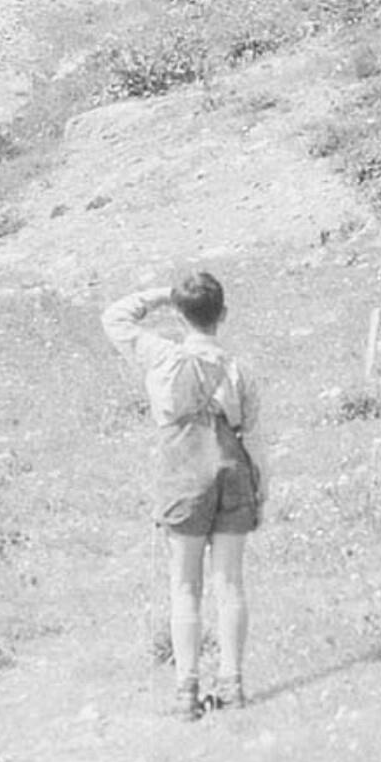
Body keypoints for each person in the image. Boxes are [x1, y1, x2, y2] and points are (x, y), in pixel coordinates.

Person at [102, 270, 264, 719]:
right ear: (223, 314)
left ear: (179, 315)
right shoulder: (239, 369)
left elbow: (115, 316)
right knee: (230, 583)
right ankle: (232, 684)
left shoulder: (163, 357)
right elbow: (253, 435)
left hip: (183, 474)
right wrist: (260, 488)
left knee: (185, 585)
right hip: (233, 472)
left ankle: (186, 690)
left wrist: (165, 296)